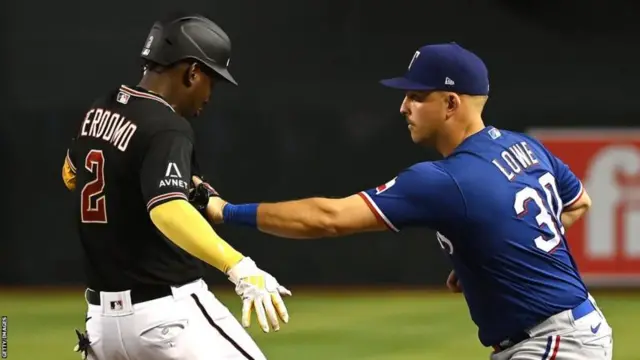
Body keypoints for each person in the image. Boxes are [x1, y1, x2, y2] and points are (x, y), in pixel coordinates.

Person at [199, 42, 614, 359]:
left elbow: (328, 217)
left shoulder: (446, 179)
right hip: (574, 330)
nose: (404, 106)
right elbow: (580, 203)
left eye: (416, 95)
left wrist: (225, 211)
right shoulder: (525, 147)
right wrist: (495, 252)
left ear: (451, 103)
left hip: (553, 342)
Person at [62, 13, 290, 360]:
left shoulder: (100, 109)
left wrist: (183, 186)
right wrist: (239, 267)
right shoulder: (169, 126)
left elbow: (70, 175)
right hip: (167, 317)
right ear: (192, 72)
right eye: (211, 80)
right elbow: (167, 207)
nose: (210, 94)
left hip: (101, 326)